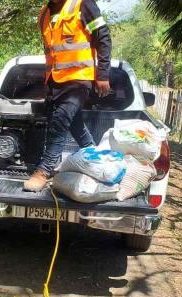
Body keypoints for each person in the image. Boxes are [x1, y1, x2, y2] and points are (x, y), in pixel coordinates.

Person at [23, 0, 112, 191]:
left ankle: (43, 171)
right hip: (56, 82)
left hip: (78, 80)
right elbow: (52, 52)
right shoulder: (44, 14)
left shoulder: (83, 4)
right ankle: (98, 162)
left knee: (59, 124)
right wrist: (47, 85)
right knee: (76, 126)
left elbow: (103, 37)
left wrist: (102, 75)